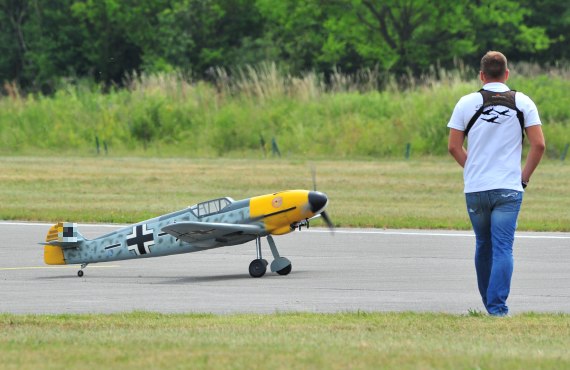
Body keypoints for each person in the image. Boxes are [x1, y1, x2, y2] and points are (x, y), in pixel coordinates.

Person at [447, 51, 545, 316]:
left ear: (481, 75)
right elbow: (539, 144)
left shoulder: (466, 102)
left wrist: (475, 170)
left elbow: (454, 147)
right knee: (503, 247)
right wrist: (523, 177)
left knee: (483, 244)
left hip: (476, 188)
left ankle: (488, 304)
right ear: (507, 74)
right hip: (508, 188)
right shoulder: (523, 102)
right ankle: (496, 307)